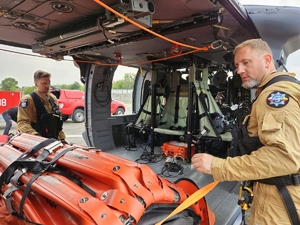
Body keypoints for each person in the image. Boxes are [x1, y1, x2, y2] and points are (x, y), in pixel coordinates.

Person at [191, 38, 300, 225]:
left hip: (280, 204)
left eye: (246, 63)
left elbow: (284, 156)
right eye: (237, 65)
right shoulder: (276, 89)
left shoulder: (275, 96)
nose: (239, 70)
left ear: (267, 60)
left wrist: (218, 167)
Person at [17, 70, 67, 142]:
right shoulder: (28, 100)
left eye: (48, 83)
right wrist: (36, 137)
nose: (47, 86)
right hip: (37, 143)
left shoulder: (53, 99)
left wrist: (62, 138)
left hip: (54, 141)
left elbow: (57, 122)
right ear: (36, 84)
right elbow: (22, 123)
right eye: (44, 83)